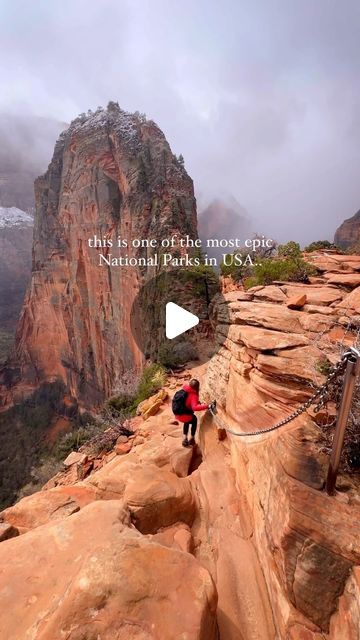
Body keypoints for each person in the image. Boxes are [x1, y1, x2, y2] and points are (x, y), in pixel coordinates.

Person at [172, 378, 210, 447]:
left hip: (177, 414)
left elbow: (187, 402)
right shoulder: (193, 395)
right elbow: (194, 408)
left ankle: (184, 438)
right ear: (197, 387)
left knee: (188, 420)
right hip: (184, 415)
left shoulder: (184, 390)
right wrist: (207, 406)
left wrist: (196, 402)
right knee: (194, 419)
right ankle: (192, 438)